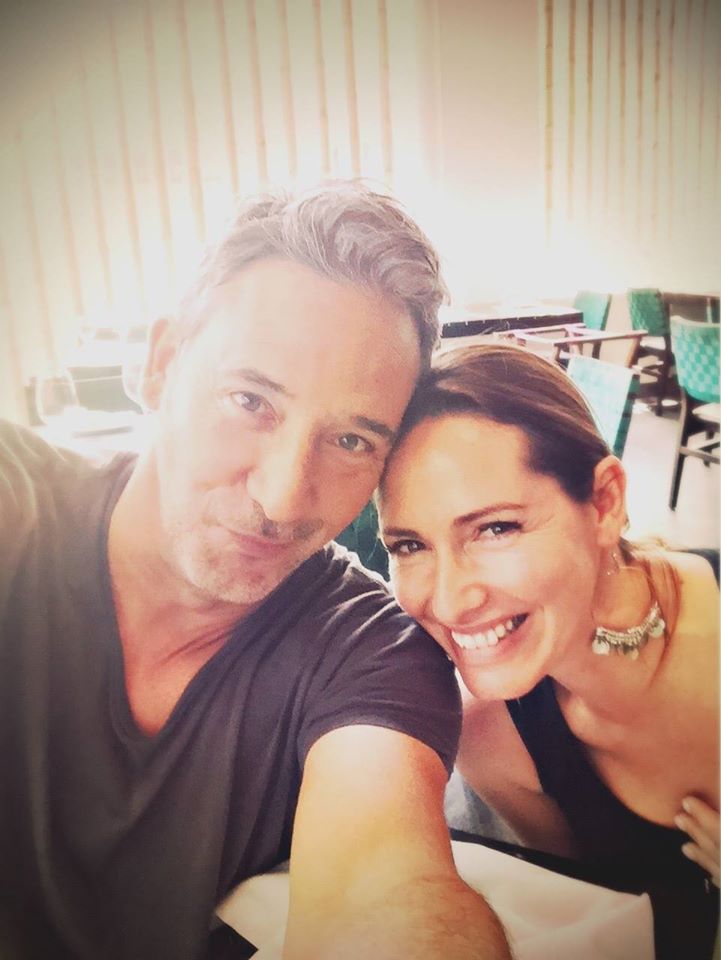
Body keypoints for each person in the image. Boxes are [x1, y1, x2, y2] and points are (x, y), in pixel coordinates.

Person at [0, 185, 510, 960]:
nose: (282, 498)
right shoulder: (19, 504)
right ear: (161, 365)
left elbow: (386, 891)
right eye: (250, 401)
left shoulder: (373, 649)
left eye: (350, 442)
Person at [378, 343, 719, 959]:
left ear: (604, 503)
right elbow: (612, 918)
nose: (450, 603)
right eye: (408, 546)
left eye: (495, 528)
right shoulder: (490, 738)